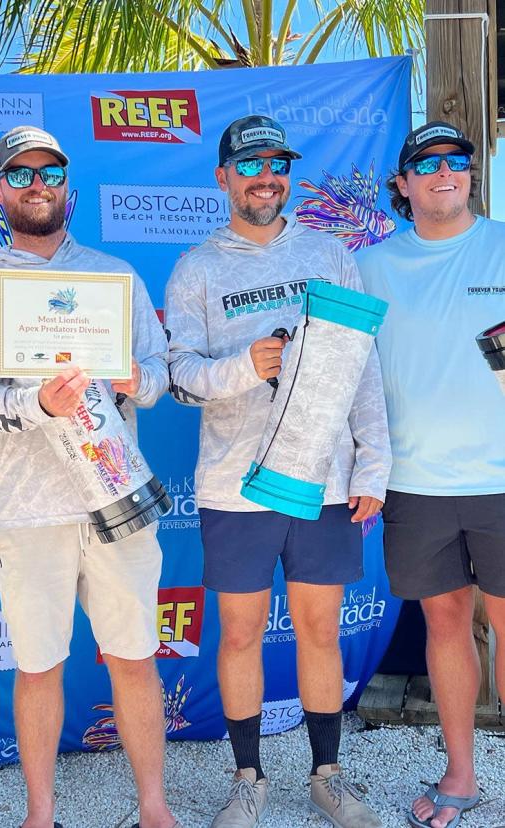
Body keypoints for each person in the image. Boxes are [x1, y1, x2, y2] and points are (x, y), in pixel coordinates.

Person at [164, 115, 390, 828]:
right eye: (251, 163)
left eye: (278, 164)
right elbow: (176, 376)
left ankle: (327, 775)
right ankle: (248, 779)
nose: (268, 175)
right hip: (237, 484)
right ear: (224, 177)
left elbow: (364, 367)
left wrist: (373, 464)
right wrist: (245, 366)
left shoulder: (330, 253)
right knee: (238, 635)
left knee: (320, 633)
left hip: (322, 482)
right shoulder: (197, 267)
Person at [0, 125, 178, 828]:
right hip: (30, 507)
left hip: (116, 500)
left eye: (48, 173)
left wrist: (133, 377)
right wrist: (36, 402)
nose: (37, 186)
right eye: (20, 176)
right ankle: (41, 815)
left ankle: (153, 808)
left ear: (67, 186)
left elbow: (162, 377)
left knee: (136, 657)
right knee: (38, 666)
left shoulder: (115, 277)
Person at [356, 121, 505, 828]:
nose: (446, 171)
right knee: (446, 624)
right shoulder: (370, 266)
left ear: (471, 175)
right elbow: (347, 376)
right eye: (429, 162)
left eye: (459, 161)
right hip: (412, 483)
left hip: (503, 480)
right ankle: (463, 773)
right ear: (404, 182)